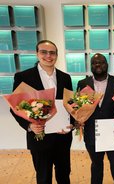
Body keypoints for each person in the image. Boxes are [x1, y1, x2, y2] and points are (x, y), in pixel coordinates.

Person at [11, 40, 73, 184]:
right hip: (39, 137)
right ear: (37, 53)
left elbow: (69, 104)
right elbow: (15, 107)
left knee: (64, 176)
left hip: (62, 137)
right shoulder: (23, 77)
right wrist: (29, 126)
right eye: (44, 52)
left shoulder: (65, 77)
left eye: (52, 53)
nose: (48, 56)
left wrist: (71, 124)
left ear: (56, 55)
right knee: (44, 178)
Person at [77, 53, 114, 184]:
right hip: (92, 133)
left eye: (101, 62)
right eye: (94, 62)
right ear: (91, 66)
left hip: (113, 133)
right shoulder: (82, 83)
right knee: (96, 165)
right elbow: (78, 108)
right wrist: (78, 121)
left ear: (107, 64)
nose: (98, 65)